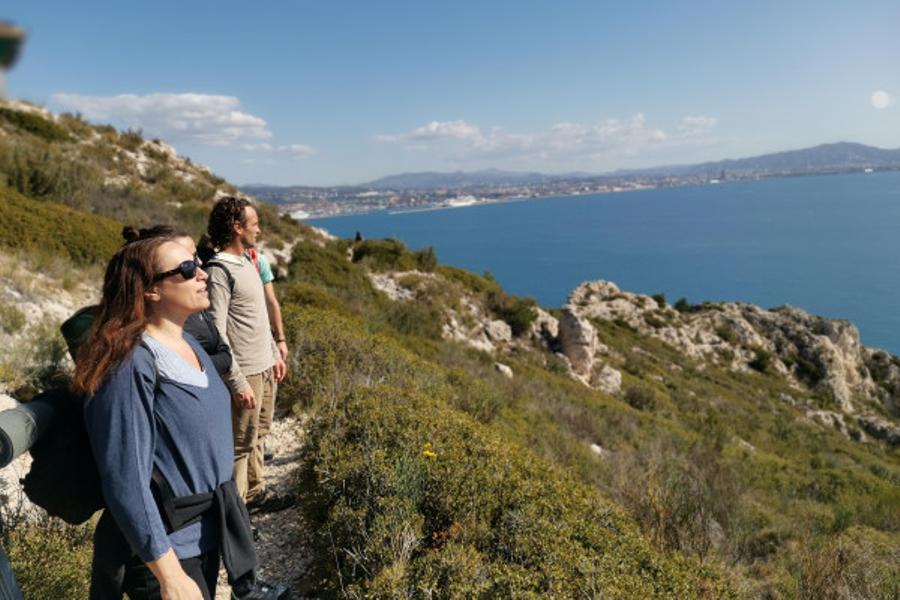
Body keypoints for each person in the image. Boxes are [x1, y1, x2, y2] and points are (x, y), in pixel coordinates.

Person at [73, 237, 241, 599]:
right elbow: (126, 479)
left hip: (202, 537)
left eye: (197, 263)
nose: (201, 274)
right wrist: (169, 575)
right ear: (150, 290)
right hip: (163, 554)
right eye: (186, 269)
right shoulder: (130, 364)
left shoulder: (189, 344)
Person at [205, 197, 288, 511]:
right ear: (237, 227)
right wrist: (236, 381)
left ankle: (255, 494)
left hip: (264, 367)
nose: (259, 230)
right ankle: (236, 519)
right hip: (245, 372)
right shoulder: (218, 270)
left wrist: (274, 353)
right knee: (240, 446)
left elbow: (259, 317)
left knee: (259, 435)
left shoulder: (249, 261)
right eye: (254, 224)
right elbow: (217, 331)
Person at [62, 226, 233, 378]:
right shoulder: (132, 361)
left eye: (196, 259)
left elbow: (224, 353)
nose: (203, 271)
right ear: (151, 288)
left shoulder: (183, 333)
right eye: (188, 266)